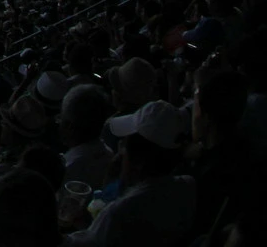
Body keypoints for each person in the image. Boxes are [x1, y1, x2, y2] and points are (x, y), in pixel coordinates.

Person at [64, 100, 195, 247]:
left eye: (124, 146)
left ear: (138, 161)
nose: (120, 152)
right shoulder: (188, 188)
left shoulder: (117, 215)